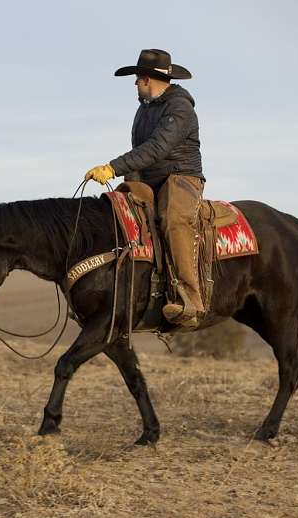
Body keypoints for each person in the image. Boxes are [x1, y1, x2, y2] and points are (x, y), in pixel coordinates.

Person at [85, 49, 205, 328]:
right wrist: (126, 182)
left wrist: (112, 167)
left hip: (181, 177)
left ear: (148, 79)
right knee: (115, 212)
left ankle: (190, 299)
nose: (136, 84)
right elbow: (139, 152)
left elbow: (157, 148)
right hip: (149, 179)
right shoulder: (143, 110)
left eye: (138, 78)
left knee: (173, 220)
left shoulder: (180, 107)